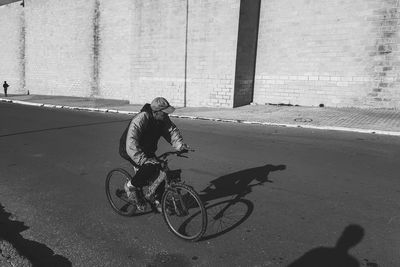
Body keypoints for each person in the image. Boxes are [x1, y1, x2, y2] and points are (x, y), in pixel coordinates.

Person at [120, 97, 189, 211]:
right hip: (130, 149)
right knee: (147, 169)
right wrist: (143, 160)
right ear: (156, 112)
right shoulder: (141, 118)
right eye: (165, 113)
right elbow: (131, 142)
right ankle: (130, 186)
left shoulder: (162, 119)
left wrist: (180, 145)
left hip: (147, 149)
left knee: (160, 170)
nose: (167, 115)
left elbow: (171, 132)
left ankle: (157, 199)